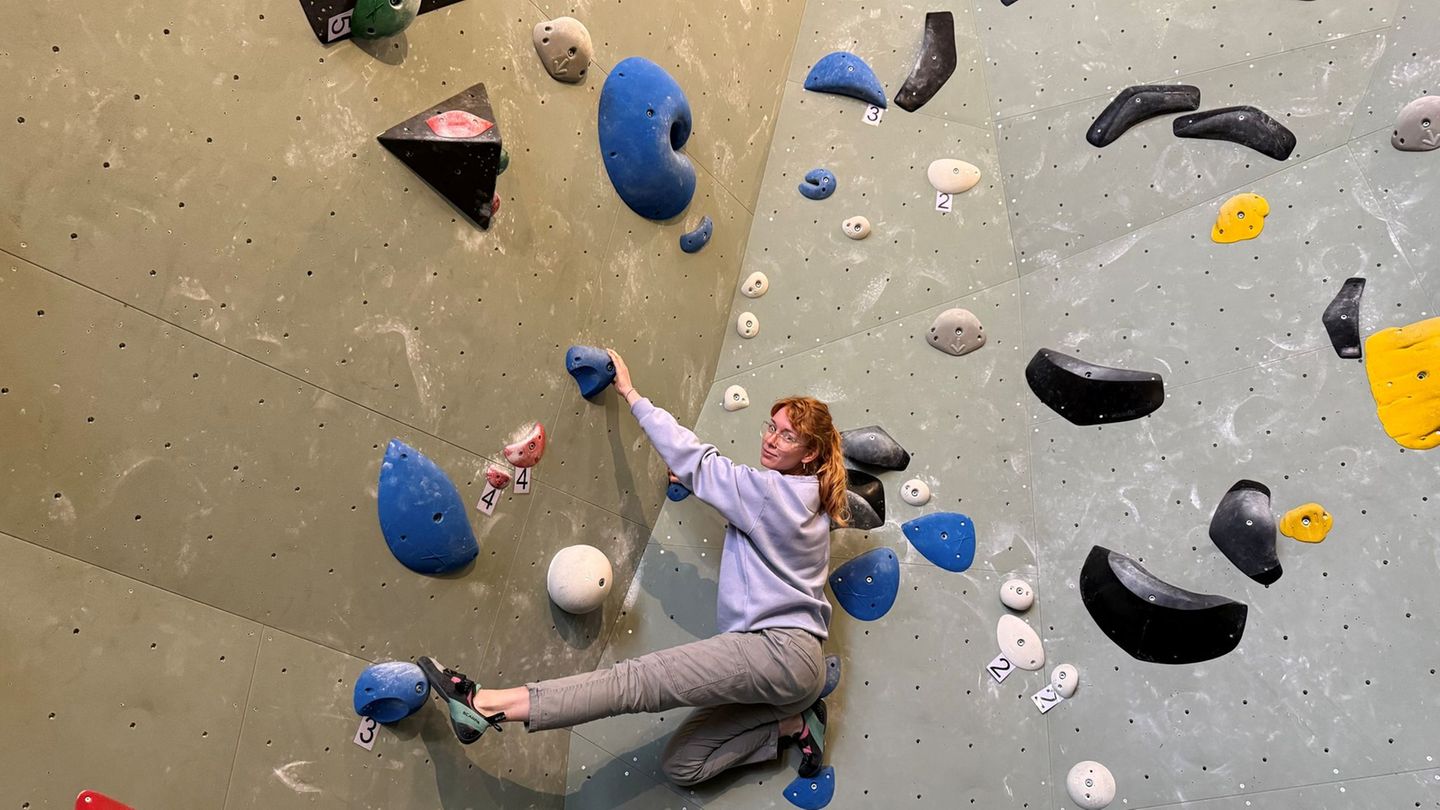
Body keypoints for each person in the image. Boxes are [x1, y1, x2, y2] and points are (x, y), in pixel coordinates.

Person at [418, 348, 851, 786]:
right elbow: (752, 517)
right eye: (771, 427)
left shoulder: (773, 493)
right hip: (795, 671)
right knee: (682, 766)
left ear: (810, 453)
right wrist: (700, 485)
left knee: (634, 683)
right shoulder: (807, 502)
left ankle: (484, 705)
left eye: (787, 436)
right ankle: (793, 725)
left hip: (777, 651)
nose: (771, 440)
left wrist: (630, 393)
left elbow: (698, 460)